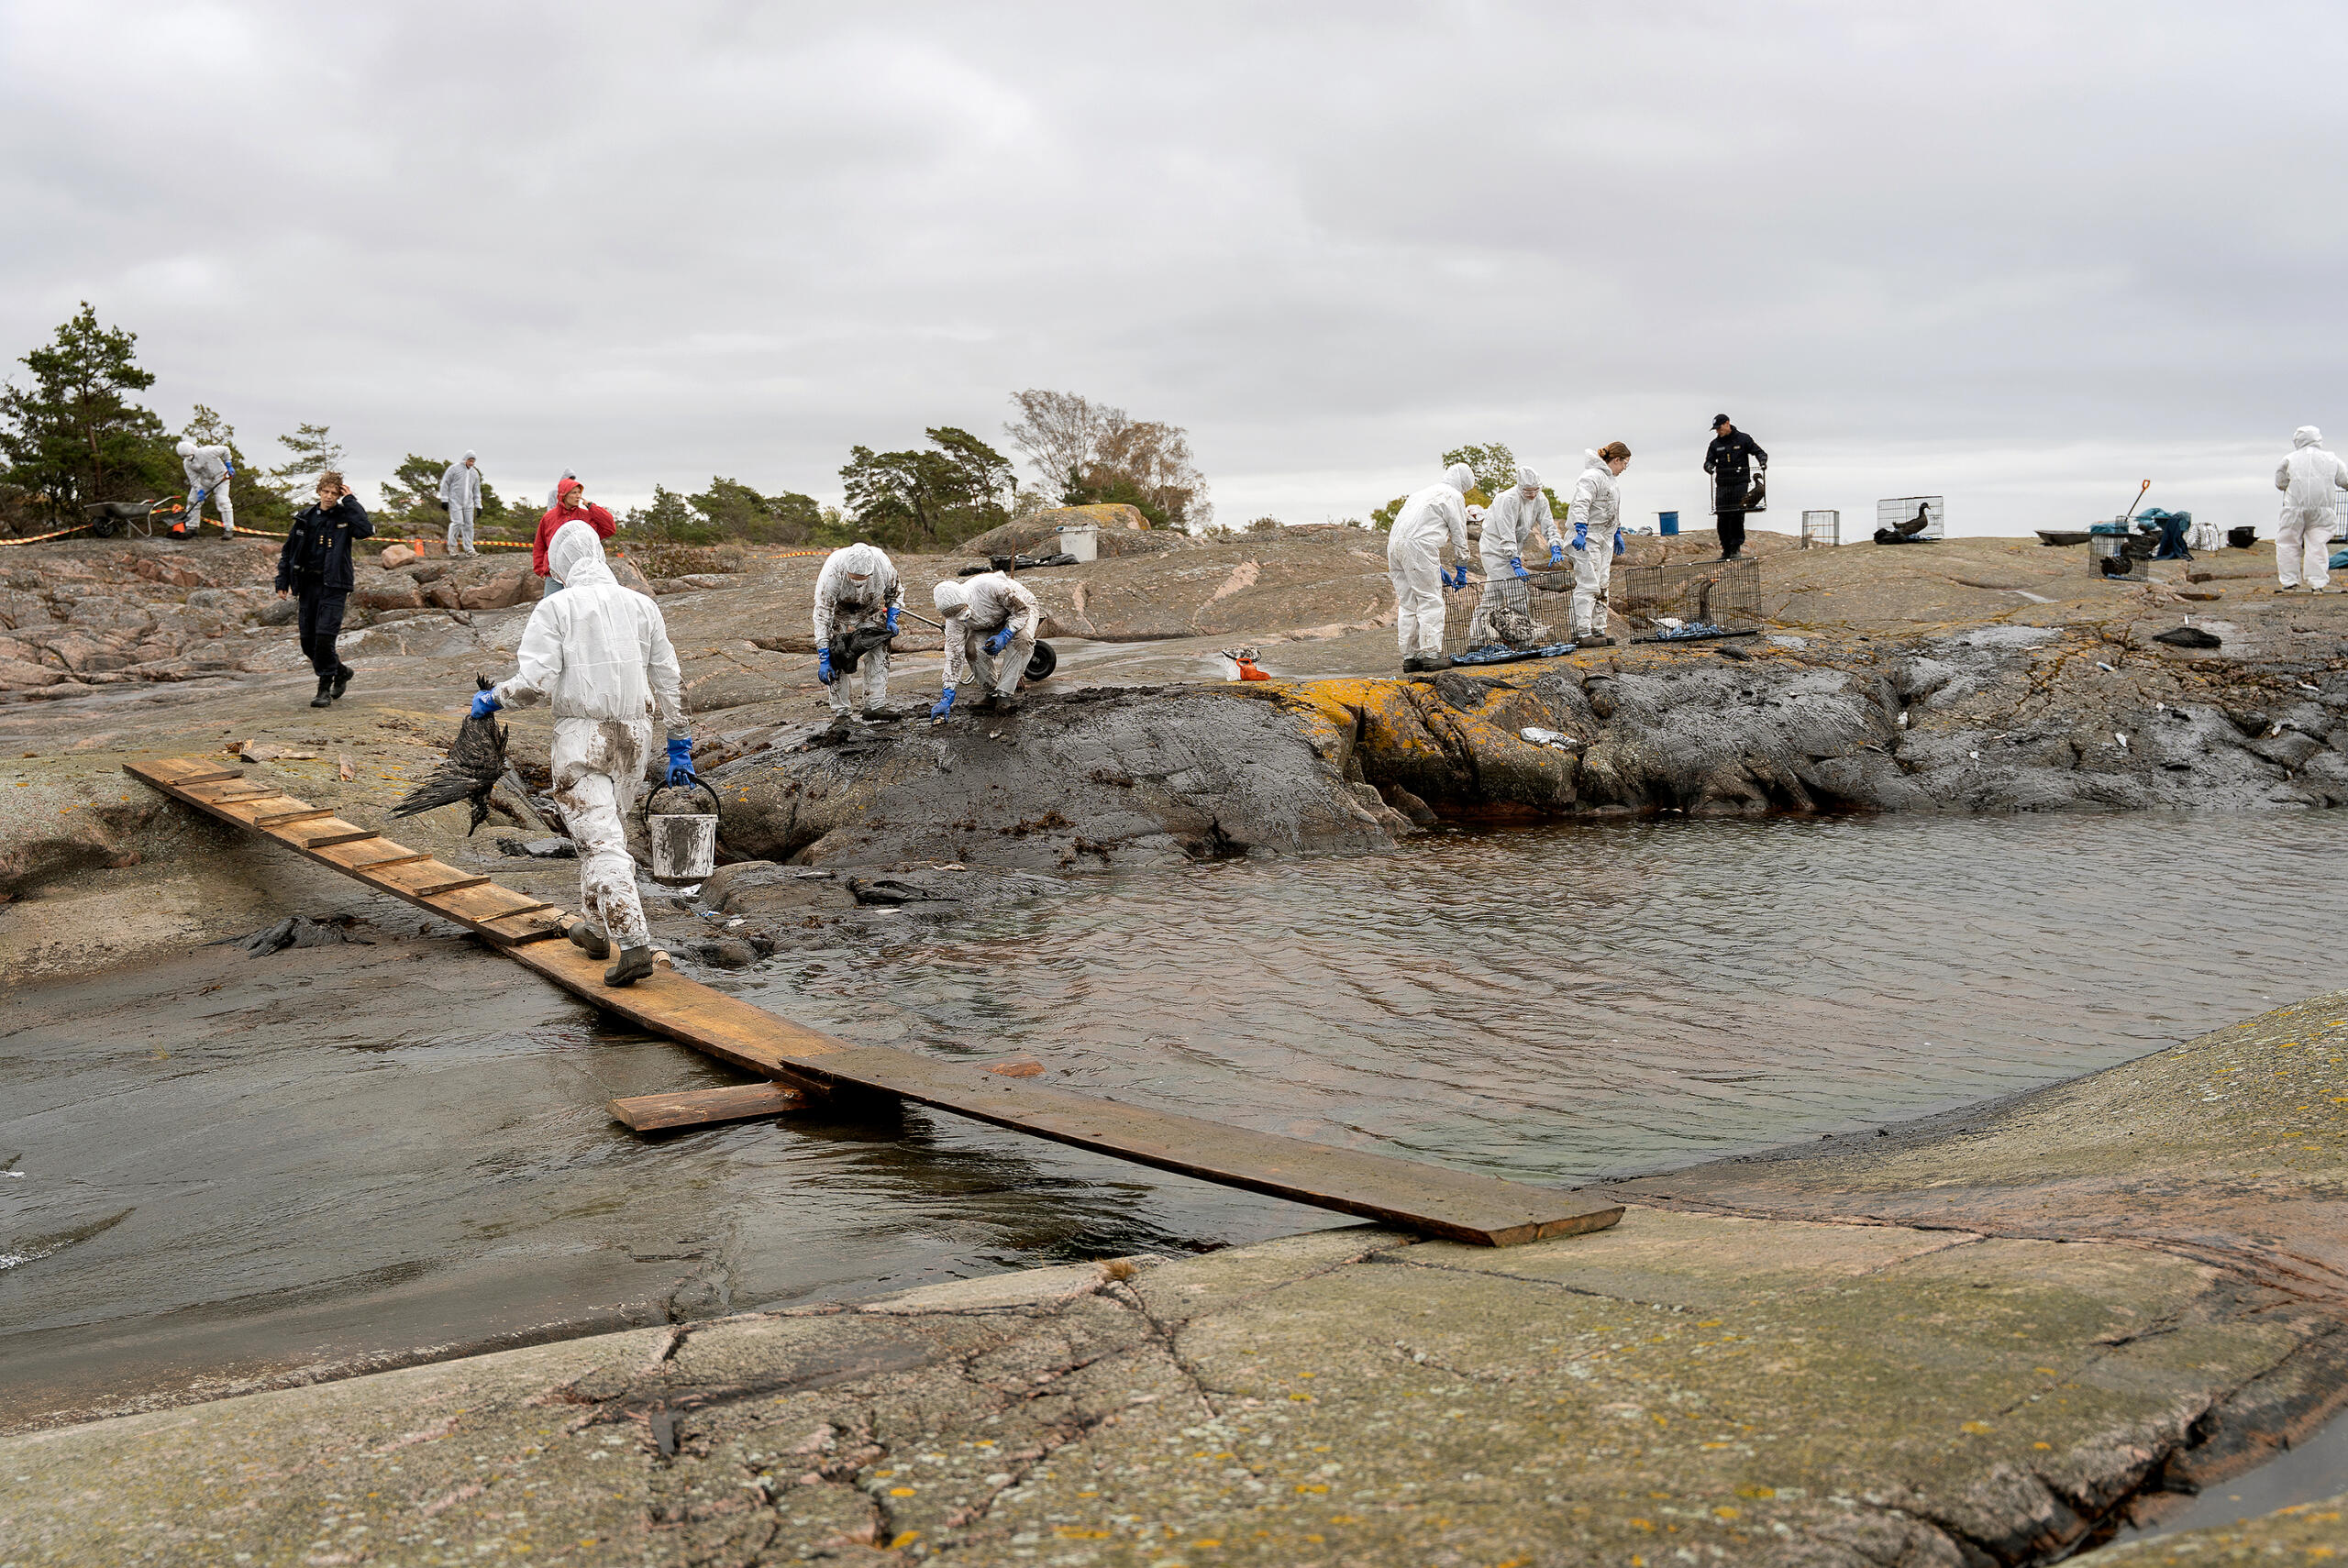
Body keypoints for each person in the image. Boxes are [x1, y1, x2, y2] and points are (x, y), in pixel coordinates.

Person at [473, 520, 687, 988]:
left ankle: (633, 945)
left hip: (582, 736)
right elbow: (668, 675)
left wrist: (493, 699)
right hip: (636, 735)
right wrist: (679, 743)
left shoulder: (557, 607)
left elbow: (535, 684)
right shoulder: (641, 606)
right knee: (606, 829)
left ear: (561, 562)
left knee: (600, 841)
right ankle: (594, 929)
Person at [273, 471, 371, 708]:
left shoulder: (345, 516)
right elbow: (288, 552)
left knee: (325, 638)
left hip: (335, 585)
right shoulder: (304, 517)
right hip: (307, 586)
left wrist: (351, 501)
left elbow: (366, 530)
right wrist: (282, 581)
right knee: (308, 643)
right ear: (319, 491)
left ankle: (324, 688)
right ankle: (341, 671)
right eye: (325, 492)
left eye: (334, 493)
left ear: (339, 494)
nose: (329, 496)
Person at [1388, 462, 1477, 672]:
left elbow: (1417, 527)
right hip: (1419, 547)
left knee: (1409, 603)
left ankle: (1411, 657)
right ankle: (1430, 654)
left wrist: (1434, 566)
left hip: (1394, 546)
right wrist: (1462, 566)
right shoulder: (1453, 496)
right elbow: (1459, 534)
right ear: (1464, 484)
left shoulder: (1420, 494)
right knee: (1430, 599)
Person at [1470, 467, 1564, 645]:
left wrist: (1555, 546)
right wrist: (1515, 561)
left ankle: (1475, 640)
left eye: (1535, 490)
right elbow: (1506, 533)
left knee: (1492, 597)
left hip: (1513, 549)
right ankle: (1523, 641)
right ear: (1520, 487)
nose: (1532, 494)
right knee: (1517, 592)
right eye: (1528, 491)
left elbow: (1548, 524)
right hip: (1495, 550)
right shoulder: (1507, 499)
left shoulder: (1540, 499)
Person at [931, 569, 1040, 721]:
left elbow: (1021, 611)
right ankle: (992, 693)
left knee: (1023, 640)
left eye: (962, 613)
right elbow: (954, 655)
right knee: (971, 648)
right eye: (957, 617)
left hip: (1020, 610)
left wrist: (1006, 634)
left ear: (965, 599)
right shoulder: (954, 621)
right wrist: (947, 694)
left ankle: (1004, 695)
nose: (961, 619)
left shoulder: (989, 587)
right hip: (985, 624)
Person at [813, 542, 903, 722]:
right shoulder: (832, 572)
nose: (858, 584)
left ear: (871, 572)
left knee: (881, 650)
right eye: (854, 578)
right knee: (836, 655)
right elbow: (823, 614)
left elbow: (895, 592)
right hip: (838, 613)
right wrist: (823, 655)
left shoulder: (883, 566)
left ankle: (875, 704)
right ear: (846, 570)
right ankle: (842, 712)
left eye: (863, 579)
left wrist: (893, 616)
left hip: (869, 609)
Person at [1565, 444, 1632, 645]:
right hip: (1587, 538)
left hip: (1604, 538)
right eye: (1625, 464)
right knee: (1588, 583)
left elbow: (1611, 508)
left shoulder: (1611, 481)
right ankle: (1582, 632)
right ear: (1617, 459)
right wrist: (1580, 528)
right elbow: (1581, 502)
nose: (1625, 469)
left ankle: (1598, 628)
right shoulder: (1591, 476)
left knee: (1602, 584)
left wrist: (1617, 531)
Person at [2276, 426, 2348, 591]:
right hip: (2322, 508)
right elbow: (2345, 480)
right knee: (2317, 544)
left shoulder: (2289, 459)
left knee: (2287, 543)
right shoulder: (2332, 459)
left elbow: (2280, 483)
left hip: (2294, 507)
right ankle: (2317, 583)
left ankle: (2290, 582)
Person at [533, 478, 615, 595]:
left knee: (581, 610)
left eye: (579, 492)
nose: (578, 496)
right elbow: (540, 545)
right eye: (574, 493)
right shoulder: (548, 518)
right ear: (563, 495)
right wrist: (540, 569)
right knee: (552, 608)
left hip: (582, 573)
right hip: (554, 574)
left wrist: (592, 506)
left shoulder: (587, 516)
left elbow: (610, 528)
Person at [1703, 414, 1767, 561]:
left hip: (1740, 483)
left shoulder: (1743, 439)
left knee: (1737, 515)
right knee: (1722, 517)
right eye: (1716, 429)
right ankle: (1726, 549)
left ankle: (1736, 549)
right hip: (1723, 484)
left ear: (1727, 424)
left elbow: (1759, 452)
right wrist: (1709, 467)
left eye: (1719, 428)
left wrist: (1762, 461)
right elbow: (1708, 461)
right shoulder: (1715, 444)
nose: (1718, 431)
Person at [173, 438, 236, 539]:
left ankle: (229, 529)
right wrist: (199, 491)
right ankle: (192, 527)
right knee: (192, 500)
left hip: (220, 477)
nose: (189, 458)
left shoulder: (207, 451)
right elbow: (193, 479)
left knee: (222, 501)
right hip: (204, 481)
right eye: (185, 457)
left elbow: (225, 449)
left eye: (190, 456)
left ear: (193, 450)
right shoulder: (187, 464)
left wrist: (229, 464)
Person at [439, 451, 483, 557]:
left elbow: (477, 490)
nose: (471, 463)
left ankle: (469, 549)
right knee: (457, 522)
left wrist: (479, 505)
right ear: (465, 459)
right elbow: (445, 483)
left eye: (473, 461)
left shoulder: (474, 473)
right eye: (470, 460)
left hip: (469, 502)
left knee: (469, 525)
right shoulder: (454, 469)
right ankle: (452, 546)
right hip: (455, 501)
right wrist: (444, 499)